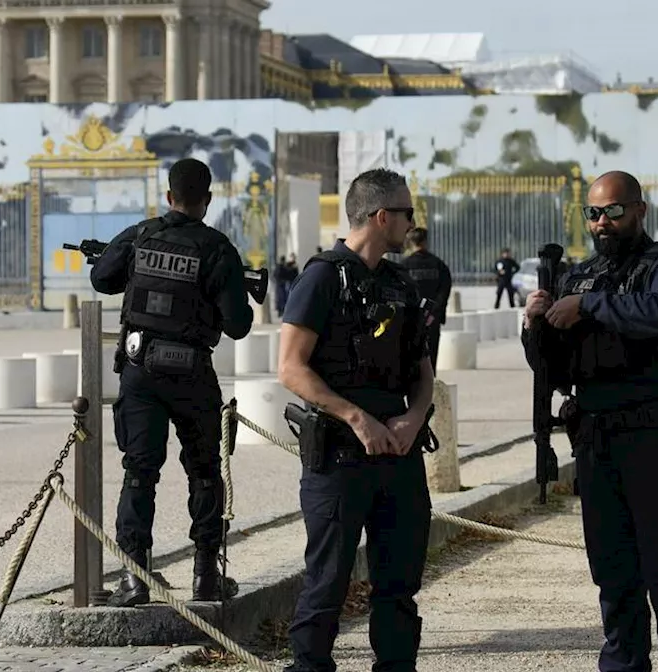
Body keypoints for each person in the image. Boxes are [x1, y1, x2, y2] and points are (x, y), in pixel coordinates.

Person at [521, 170, 658, 671]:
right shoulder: (578, 275)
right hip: (598, 439)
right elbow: (555, 370)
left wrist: (589, 305)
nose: (602, 222)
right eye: (593, 213)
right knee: (613, 572)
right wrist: (535, 324)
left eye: (613, 211)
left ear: (640, 211)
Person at [277, 168, 436, 672]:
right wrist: (357, 418)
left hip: (398, 458)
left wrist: (413, 418)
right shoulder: (322, 276)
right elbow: (290, 368)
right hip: (340, 459)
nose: (413, 223)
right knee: (327, 584)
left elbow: (423, 371)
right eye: (407, 213)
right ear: (381, 216)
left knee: (399, 588)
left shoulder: (400, 283)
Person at [89, 157, 253, 607]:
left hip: (142, 373)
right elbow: (238, 325)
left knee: (140, 473)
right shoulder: (218, 248)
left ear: (168, 196)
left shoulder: (142, 235)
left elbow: (101, 277)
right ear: (208, 200)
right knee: (204, 473)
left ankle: (133, 579)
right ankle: (205, 577)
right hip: (194, 376)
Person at [399, 227, 453, 370]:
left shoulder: (404, 266)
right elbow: (444, 292)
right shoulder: (439, 265)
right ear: (426, 241)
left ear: (411, 242)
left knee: (409, 357)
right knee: (430, 357)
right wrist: (434, 314)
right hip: (432, 319)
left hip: (410, 319)